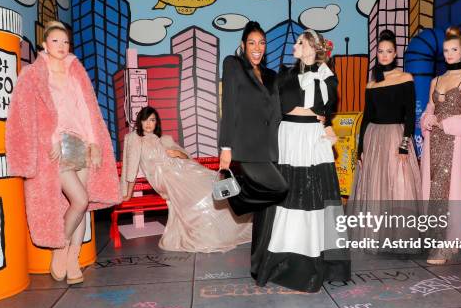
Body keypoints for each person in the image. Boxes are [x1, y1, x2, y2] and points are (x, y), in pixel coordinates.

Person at [6, 21, 120, 284]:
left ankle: (73, 257)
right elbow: (26, 115)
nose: (61, 46)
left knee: (84, 204)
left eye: (65, 42)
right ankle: (60, 246)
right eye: (55, 41)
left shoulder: (75, 71)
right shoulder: (33, 74)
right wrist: (50, 138)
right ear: (45, 45)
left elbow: (88, 110)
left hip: (81, 142)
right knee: (79, 199)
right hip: (55, 148)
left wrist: (94, 144)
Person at [252, 29, 350, 293]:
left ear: (311, 47)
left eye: (300, 42)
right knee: (287, 197)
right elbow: (271, 106)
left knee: (315, 197)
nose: (295, 45)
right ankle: (282, 261)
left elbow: (325, 109)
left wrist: (326, 124)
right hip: (288, 137)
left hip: (311, 138)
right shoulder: (284, 73)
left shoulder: (327, 76)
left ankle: (317, 262)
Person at [121, 107, 251, 253]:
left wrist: (177, 153)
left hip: (182, 169)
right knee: (202, 192)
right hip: (165, 177)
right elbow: (131, 168)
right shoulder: (136, 140)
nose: (148, 124)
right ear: (140, 121)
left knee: (211, 183)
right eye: (145, 120)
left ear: (157, 123)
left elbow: (186, 158)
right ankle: (211, 231)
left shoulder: (164, 139)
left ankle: (231, 223)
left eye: (152, 120)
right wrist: (128, 193)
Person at [218, 21, 289, 266]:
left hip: (270, 148)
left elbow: (279, 113)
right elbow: (228, 107)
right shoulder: (233, 64)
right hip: (246, 148)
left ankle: (261, 262)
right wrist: (225, 147)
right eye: (252, 43)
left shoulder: (271, 75)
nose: (257, 47)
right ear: (243, 45)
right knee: (280, 189)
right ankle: (237, 200)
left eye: (261, 43)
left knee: (266, 210)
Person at [347, 29, 422, 255]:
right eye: (381, 51)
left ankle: (400, 240)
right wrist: (360, 149)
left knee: (399, 187)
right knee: (375, 189)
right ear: (377, 54)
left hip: (396, 137)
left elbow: (410, 115)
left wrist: (404, 143)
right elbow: (366, 117)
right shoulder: (371, 84)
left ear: (395, 53)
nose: (384, 55)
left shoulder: (406, 78)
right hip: (373, 138)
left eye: (389, 51)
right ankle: (378, 238)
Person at [420, 27, 461, 265]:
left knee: (450, 190)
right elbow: (429, 110)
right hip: (434, 143)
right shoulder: (435, 80)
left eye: (454, 50)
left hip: (455, 143)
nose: (449, 54)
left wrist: (448, 123)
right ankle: (435, 240)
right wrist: (427, 120)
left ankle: (447, 245)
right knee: (432, 190)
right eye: (446, 50)